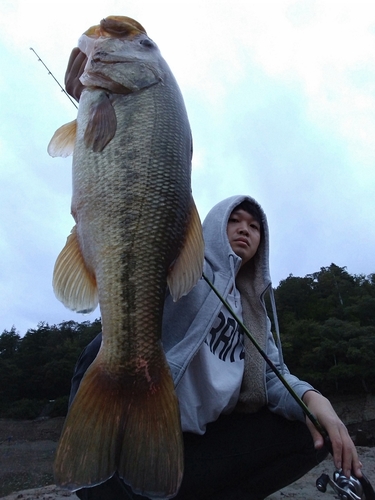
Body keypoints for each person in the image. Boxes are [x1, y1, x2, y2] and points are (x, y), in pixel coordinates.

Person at [64, 48, 362, 500]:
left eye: (255, 226)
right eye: (235, 221)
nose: (245, 230)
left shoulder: (254, 314)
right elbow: (143, 225)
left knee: (311, 431)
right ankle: (109, 469)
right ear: (214, 228)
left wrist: (317, 400)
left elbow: (273, 374)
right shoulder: (190, 267)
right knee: (110, 340)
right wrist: (93, 106)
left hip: (187, 447)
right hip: (133, 418)